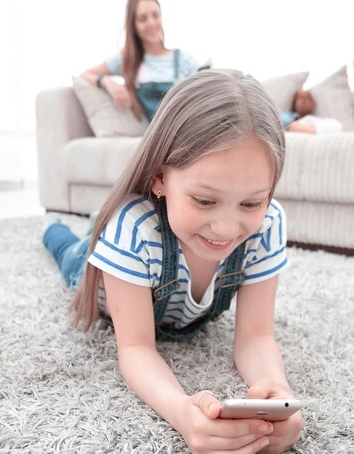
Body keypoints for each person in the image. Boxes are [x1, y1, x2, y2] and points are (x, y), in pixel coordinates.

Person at [42, 69, 302, 454]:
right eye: (204, 200)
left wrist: (276, 391)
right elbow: (137, 348)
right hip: (98, 263)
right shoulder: (132, 230)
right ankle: (52, 230)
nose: (227, 227)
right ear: (159, 178)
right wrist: (183, 412)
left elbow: (255, 335)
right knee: (66, 251)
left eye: (250, 203)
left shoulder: (269, 223)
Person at [80, 0, 202, 121]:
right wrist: (107, 82)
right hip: (159, 134)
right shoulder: (126, 59)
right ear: (133, 25)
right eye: (143, 19)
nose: (151, 23)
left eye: (155, 15)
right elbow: (84, 75)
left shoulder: (185, 60)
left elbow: (209, 93)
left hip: (189, 128)